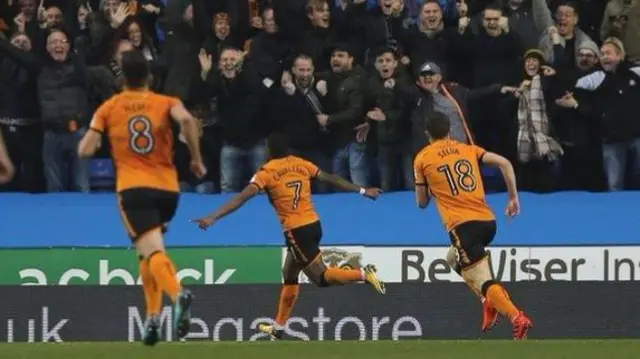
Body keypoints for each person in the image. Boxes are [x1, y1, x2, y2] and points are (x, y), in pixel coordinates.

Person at [191, 132, 386, 340]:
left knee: (321, 277)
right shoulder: (299, 163)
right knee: (289, 272)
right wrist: (363, 190)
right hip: (313, 224)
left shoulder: (266, 172)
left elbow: (241, 198)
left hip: (296, 230)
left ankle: (363, 274)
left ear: (269, 150)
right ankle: (279, 327)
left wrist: (213, 217)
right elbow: (331, 178)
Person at [77, 50, 207, 346]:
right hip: (168, 189)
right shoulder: (166, 102)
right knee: (147, 250)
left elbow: (85, 150)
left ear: (122, 77)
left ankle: (177, 294)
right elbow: (187, 121)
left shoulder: (110, 107)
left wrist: (99, 137)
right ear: (149, 77)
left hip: (134, 189)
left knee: (152, 252)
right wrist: (196, 159)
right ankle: (151, 320)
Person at [412, 111, 533, 340]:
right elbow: (505, 163)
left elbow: (421, 202)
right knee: (451, 258)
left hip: (462, 226)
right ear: (449, 130)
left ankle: (517, 317)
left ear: (427, 133)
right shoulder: (468, 149)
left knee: (483, 280)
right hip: (488, 222)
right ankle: (487, 301)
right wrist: (513, 198)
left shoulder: (422, 158)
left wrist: (430, 183)